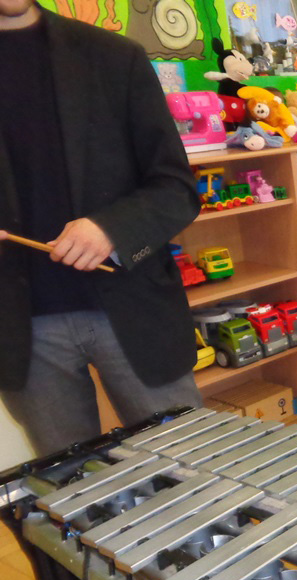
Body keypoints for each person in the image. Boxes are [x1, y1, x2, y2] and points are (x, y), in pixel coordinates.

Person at [0, 0, 202, 458]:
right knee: (72, 485)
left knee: (189, 470)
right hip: (21, 328)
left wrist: (111, 229)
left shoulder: (114, 56)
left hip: (132, 306)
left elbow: (177, 187)